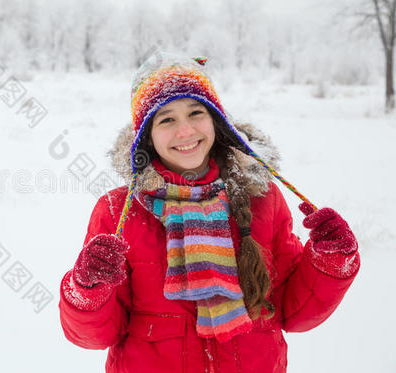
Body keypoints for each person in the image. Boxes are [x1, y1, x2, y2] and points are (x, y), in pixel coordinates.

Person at [58, 52, 360, 372]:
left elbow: (292, 312)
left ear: (215, 119)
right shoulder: (119, 211)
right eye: (167, 119)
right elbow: (94, 336)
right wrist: (87, 290)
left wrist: (330, 262)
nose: (186, 131)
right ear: (147, 134)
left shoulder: (262, 198)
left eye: (195, 112)